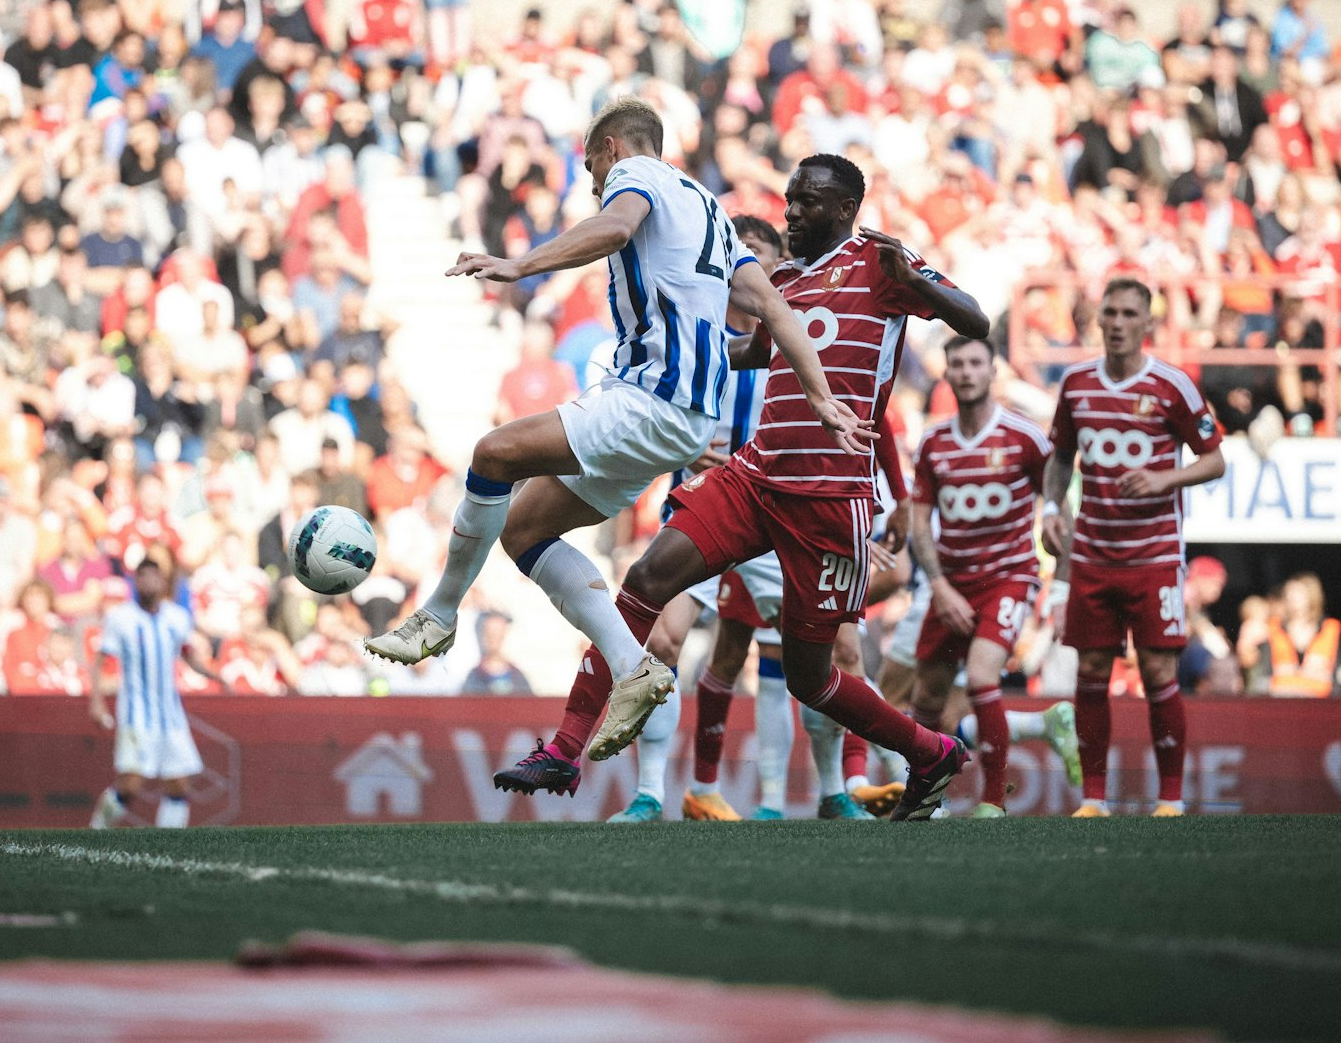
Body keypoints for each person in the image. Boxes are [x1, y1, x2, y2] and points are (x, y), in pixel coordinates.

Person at [364, 100, 868, 762]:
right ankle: (633, 667)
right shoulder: (712, 213)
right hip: (684, 419)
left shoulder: (639, 176)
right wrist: (822, 395)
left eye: (590, 165)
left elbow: (614, 226)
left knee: (494, 453)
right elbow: (774, 308)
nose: (594, 180)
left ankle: (439, 613)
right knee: (523, 528)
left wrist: (520, 265)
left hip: (649, 400)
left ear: (610, 148)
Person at [498, 153, 990, 822]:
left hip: (829, 498)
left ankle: (928, 751)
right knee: (646, 578)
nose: (791, 212)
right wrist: (674, 357)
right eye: (789, 199)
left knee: (813, 677)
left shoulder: (882, 266)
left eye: (807, 202)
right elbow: (755, 350)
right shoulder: (782, 278)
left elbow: (976, 322)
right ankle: (564, 747)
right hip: (755, 475)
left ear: (845, 209)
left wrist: (920, 283)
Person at [1042, 277, 1228, 818]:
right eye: (1111, 313)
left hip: (1155, 555)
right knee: (1092, 670)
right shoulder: (1076, 383)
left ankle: (1171, 799)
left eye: (1130, 314)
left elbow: (1215, 459)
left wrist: (1163, 479)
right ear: (1098, 320)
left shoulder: (1174, 386)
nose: (1119, 323)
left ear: (1148, 324)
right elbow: (1059, 458)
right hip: (1094, 555)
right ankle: (1093, 799)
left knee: (1158, 672)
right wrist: (1052, 509)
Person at [906, 335, 1081, 817]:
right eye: (956, 364)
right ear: (946, 374)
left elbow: (1059, 501)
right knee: (927, 697)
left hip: (1008, 577)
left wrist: (1061, 577)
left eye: (974, 363)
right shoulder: (934, 443)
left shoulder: (1023, 437)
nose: (965, 372)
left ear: (992, 371)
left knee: (983, 677)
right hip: (952, 584)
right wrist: (939, 586)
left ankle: (992, 800)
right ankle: (926, 801)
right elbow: (920, 522)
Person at [89, 559, 202, 829]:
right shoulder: (121, 618)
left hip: (170, 714)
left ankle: (168, 843)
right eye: (144, 576)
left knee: (179, 782)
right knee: (131, 783)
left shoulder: (177, 616)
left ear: (163, 582)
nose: (150, 582)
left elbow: (187, 654)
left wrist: (215, 676)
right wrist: (96, 701)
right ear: (135, 582)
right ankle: (97, 829)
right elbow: (100, 660)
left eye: (155, 576)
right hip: (136, 713)